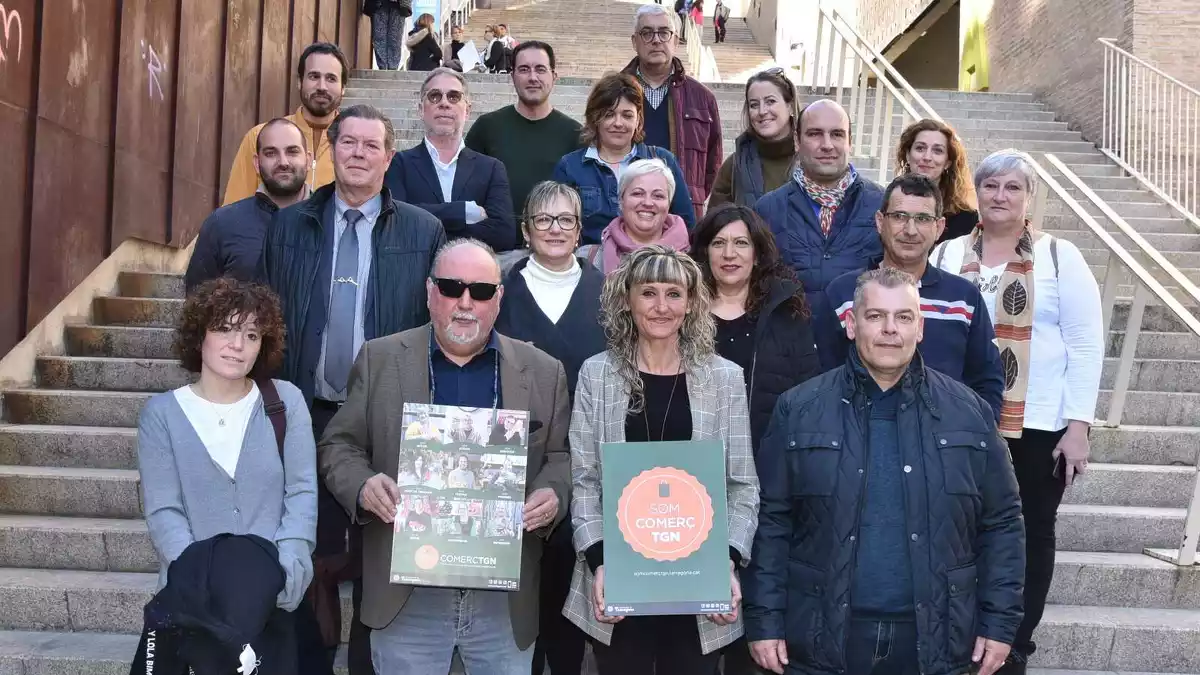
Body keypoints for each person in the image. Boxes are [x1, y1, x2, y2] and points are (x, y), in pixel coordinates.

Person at [743, 267, 1025, 675]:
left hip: (935, 640)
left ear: (921, 328)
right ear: (852, 325)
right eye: (875, 316)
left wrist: (999, 622)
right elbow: (771, 520)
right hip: (822, 637)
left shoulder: (969, 412)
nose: (890, 329)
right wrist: (764, 619)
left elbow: (1002, 523)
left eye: (904, 317)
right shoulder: (799, 409)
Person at [318, 238, 572, 673]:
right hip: (408, 592)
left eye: (481, 291)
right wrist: (362, 486)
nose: (465, 303)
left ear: (499, 299)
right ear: (430, 292)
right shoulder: (380, 359)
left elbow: (561, 457)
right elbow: (338, 445)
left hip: (502, 596)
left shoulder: (544, 371)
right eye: (452, 288)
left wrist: (553, 493)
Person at [261, 103, 445, 674]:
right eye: (348, 143)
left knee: (378, 556)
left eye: (372, 145)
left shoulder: (423, 229)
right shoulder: (290, 225)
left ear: (390, 158)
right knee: (306, 551)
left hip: (385, 417)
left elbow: (433, 327)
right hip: (304, 411)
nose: (359, 154)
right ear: (330, 151)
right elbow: (268, 319)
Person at [931, 149, 1104, 675]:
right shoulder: (947, 253)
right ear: (977, 194)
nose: (1000, 196)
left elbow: (1085, 341)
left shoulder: (1059, 256)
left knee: (1031, 531)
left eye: (1012, 188)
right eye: (991, 187)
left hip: (1037, 424)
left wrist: (1079, 426)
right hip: (957, 419)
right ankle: (957, 633)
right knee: (956, 527)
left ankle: (1015, 643)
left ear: (1029, 198)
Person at [564, 245, 760, 674]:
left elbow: (742, 485)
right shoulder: (596, 375)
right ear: (627, 299)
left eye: (674, 293)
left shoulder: (724, 378)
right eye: (648, 292)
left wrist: (725, 561)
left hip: (698, 586)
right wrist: (600, 564)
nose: (661, 306)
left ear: (691, 303)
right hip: (618, 580)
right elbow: (584, 480)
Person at [135, 277, 323, 671]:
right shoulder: (162, 415)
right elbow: (164, 511)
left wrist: (287, 569)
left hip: (276, 599)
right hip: (195, 607)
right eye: (224, 329)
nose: (237, 345)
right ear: (198, 335)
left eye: (251, 334)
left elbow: (302, 492)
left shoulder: (285, 402)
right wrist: (200, 584)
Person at [493, 182, 604, 674]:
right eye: (543, 219)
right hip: (511, 458)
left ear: (580, 230)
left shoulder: (607, 292)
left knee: (565, 580)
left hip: (582, 458)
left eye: (565, 220)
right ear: (525, 228)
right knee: (516, 594)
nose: (554, 229)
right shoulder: (499, 290)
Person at [819, 173, 1004, 419]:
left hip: (944, 444)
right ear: (879, 222)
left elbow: (987, 380)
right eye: (899, 216)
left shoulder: (964, 298)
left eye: (923, 219)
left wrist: (969, 436)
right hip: (859, 439)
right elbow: (822, 377)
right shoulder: (843, 293)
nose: (910, 230)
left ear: (939, 228)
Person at [754, 99, 884, 308]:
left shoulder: (882, 204)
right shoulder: (767, 209)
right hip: (790, 337)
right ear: (797, 141)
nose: (827, 145)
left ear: (849, 141)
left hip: (858, 338)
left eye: (837, 134)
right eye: (814, 134)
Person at [552, 73, 695, 246]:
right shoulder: (570, 167)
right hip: (590, 265)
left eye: (627, 115)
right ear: (595, 118)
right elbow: (559, 225)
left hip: (651, 263)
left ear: (638, 120)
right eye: (609, 114)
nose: (618, 123)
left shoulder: (663, 161)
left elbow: (686, 224)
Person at [385, 68, 517, 252]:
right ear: (421, 109)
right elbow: (395, 223)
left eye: (454, 97)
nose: (444, 103)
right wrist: (463, 211)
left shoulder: (491, 168)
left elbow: (504, 235)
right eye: (434, 96)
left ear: (467, 110)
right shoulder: (398, 164)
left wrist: (427, 225)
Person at [465, 41, 582, 249]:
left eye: (540, 69)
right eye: (524, 69)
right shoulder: (487, 127)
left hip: (554, 248)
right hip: (496, 249)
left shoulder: (575, 134)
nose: (533, 77)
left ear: (554, 76)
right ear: (512, 76)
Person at [186, 119, 310, 292]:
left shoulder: (331, 222)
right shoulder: (222, 224)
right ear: (256, 164)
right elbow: (197, 305)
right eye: (270, 153)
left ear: (309, 160)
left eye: (292, 151)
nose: (283, 162)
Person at [623, 4, 723, 217]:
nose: (656, 40)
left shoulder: (703, 98)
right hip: (624, 212)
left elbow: (713, 164)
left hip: (681, 215)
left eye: (664, 32)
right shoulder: (614, 92)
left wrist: (689, 196)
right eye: (647, 33)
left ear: (676, 41)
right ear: (635, 42)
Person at [224, 42, 348, 205]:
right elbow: (234, 208)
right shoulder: (260, 137)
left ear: (343, 87)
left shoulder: (354, 145)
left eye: (331, 78)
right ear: (299, 82)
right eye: (314, 76)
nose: (322, 87)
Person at [710, 68, 802, 209]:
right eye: (754, 105)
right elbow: (715, 225)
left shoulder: (811, 160)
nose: (762, 111)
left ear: (789, 106)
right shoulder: (734, 165)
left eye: (770, 101)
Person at [582, 158, 691, 274]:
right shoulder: (587, 259)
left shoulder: (692, 260)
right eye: (638, 193)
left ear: (669, 204)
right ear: (621, 200)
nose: (647, 203)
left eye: (658, 196)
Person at [896, 118, 979, 244]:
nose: (927, 157)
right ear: (908, 155)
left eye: (937, 151)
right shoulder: (889, 204)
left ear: (947, 162)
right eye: (920, 148)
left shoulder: (966, 218)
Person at [364, 0, 411, 70]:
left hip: (399, 6)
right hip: (379, 5)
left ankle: (392, 67)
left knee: (395, 39)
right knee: (379, 37)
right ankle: (383, 66)